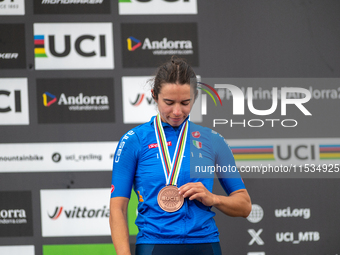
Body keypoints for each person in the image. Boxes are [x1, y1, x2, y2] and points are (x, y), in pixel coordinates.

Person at [109, 56, 251, 255]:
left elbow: (244, 205)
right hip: (154, 245)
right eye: (169, 102)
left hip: (205, 245)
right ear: (154, 95)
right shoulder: (134, 140)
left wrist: (214, 199)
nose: (177, 111)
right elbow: (118, 208)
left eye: (185, 102)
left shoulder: (213, 140)